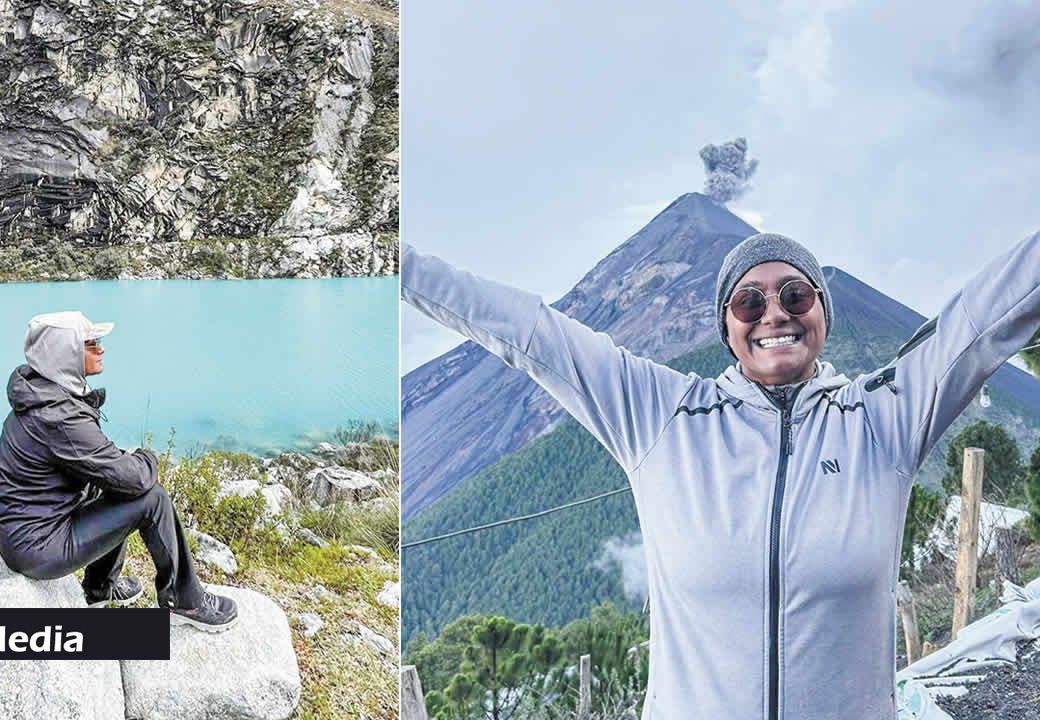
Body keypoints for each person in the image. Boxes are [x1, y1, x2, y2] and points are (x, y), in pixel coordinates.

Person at [401, 231, 1040, 720]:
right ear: (727, 326)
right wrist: (396, 263)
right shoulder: (662, 414)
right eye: (748, 300)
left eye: (795, 294)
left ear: (821, 309)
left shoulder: (880, 419)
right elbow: (529, 331)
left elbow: (983, 322)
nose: (774, 313)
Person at [0, 311, 238, 632]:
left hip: (31, 530)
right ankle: (184, 599)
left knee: (110, 483)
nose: (101, 349)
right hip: (37, 547)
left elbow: (101, 464)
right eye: (91, 343)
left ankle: (99, 590)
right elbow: (135, 479)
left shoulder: (45, 391)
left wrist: (124, 464)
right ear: (64, 353)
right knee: (151, 497)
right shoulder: (58, 416)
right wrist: (147, 457)